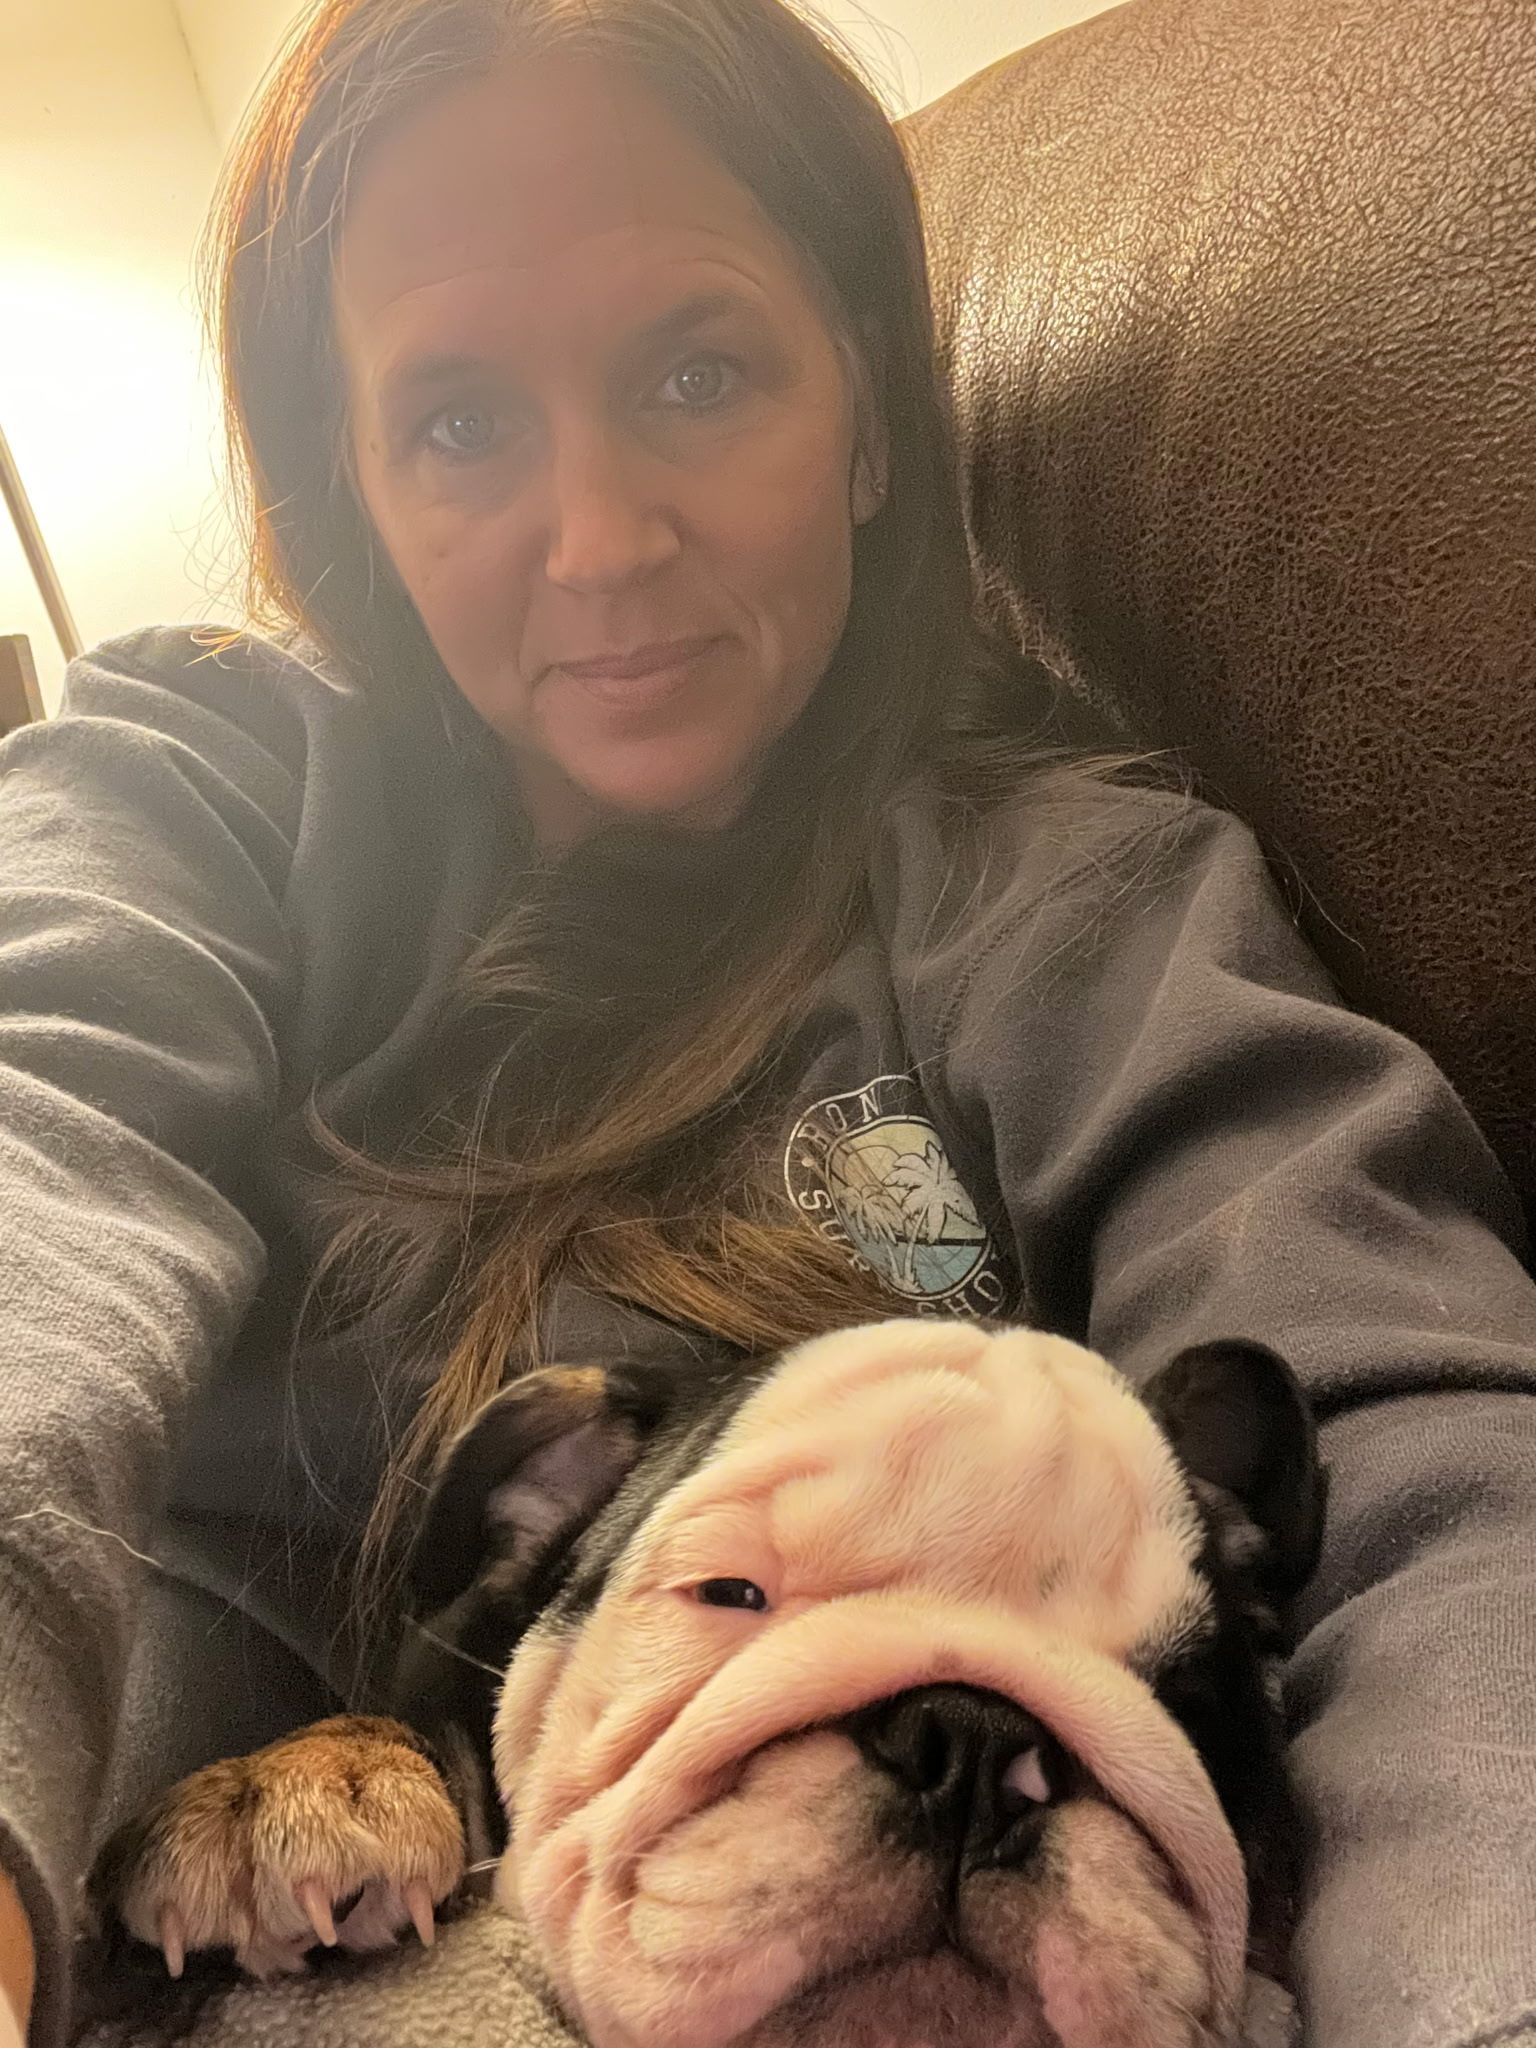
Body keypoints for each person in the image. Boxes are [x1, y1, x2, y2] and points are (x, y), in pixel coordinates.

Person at [1, 0, 1533, 2043]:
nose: (601, 540)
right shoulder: (198, 778)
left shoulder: (1067, 900)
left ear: (873, 415)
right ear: (348, 481)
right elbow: (40, 1150)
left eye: (699, 371)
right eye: (459, 421)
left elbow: (1411, 1437)